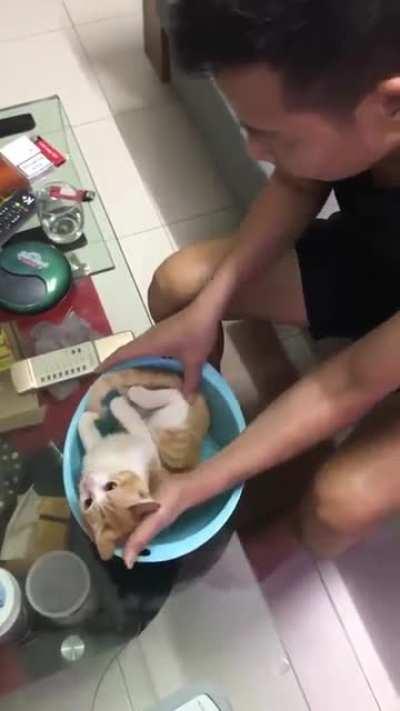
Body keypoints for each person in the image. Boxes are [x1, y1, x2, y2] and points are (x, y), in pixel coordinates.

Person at [107, 0, 400, 569]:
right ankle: (195, 424)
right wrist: (205, 312)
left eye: (275, 136)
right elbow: (296, 183)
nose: (254, 152)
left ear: (392, 105)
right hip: (377, 264)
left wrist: (201, 487)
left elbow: (348, 383)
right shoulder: (361, 74)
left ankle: (277, 542)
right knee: (184, 288)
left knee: (338, 504)